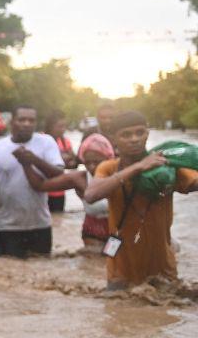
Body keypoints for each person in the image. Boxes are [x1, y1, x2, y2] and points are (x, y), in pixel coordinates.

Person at [84, 110, 198, 288]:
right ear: (114, 139)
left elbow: (194, 183)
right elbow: (91, 195)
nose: (134, 139)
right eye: (126, 135)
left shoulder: (165, 165)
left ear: (147, 134)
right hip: (120, 271)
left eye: (140, 132)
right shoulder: (108, 168)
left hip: (162, 268)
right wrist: (138, 167)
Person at [0, 106, 64, 258]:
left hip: (40, 224)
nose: (26, 124)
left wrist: (33, 160)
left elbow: (58, 174)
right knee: (10, 268)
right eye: (22, 120)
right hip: (8, 226)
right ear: (12, 122)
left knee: (42, 269)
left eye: (31, 120)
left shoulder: (46, 142)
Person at [17, 133, 115, 249]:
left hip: (118, 231)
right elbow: (40, 186)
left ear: (109, 159)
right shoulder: (79, 179)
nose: (92, 167)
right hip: (93, 230)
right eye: (87, 162)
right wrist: (26, 163)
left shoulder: (119, 176)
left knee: (114, 263)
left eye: (97, 162)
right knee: (92, 262)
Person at [44, 110, 78, 213]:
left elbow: (74, 163)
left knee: (58, 221)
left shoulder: (65, 141)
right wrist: (63, 158)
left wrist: (65, 159)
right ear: (50, 126)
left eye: (64, 126)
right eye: (60, 126)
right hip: (42, 191)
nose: (63, 129)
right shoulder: (41, 140)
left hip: (59, 191)